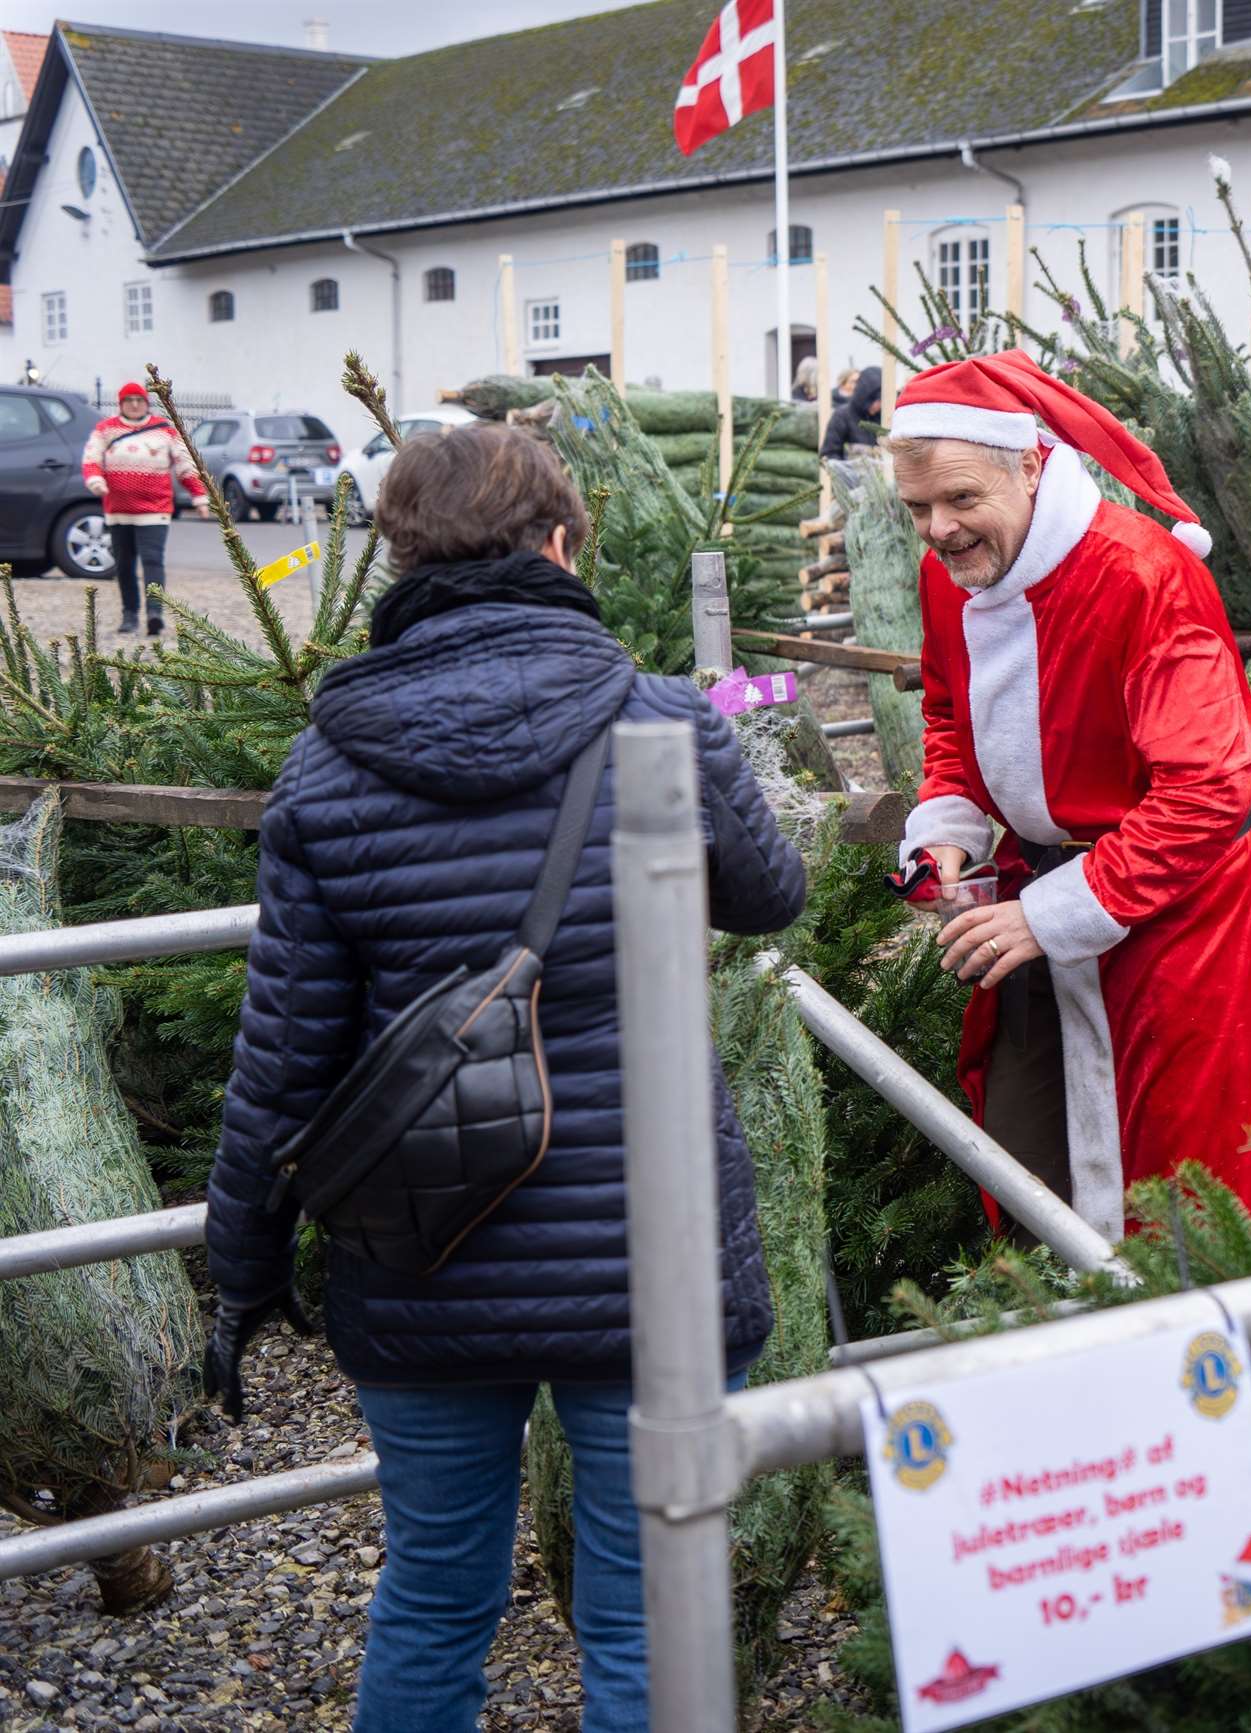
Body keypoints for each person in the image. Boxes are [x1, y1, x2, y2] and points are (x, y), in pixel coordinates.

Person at [200, 423, 808, 1733]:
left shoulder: (327, 765)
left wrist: (241, 1267)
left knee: (431, 1595)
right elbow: (771, 896)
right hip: (649, 1261)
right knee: (648, 1616)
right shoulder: (662, 717)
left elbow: (282, 1057)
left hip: (423, 1255)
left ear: (402, 559)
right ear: (559, 544)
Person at [890, 350, 1251, 1239]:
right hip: (1037, 887)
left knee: (1183, 1155)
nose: (939, 529)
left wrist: (1054, 913)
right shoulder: (948, 576)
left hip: (1177, 905)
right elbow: (950, 714)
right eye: (917, 507)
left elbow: (1207, 792)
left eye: (960, 498)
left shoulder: (1144, 577)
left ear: (1030, 467)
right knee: (1026, 1140)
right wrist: (946, 831)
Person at [80, 380, 209, 636]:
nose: (135, 404)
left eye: (139, 400)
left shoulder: (165, 431)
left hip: (155, 509)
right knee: (124, 564)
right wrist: (95, 481)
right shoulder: (106, 429)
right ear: (121, 404)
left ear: (146, 403)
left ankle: (154, 613)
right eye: (129, 400)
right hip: (118, 510)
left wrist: (200, 497)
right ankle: (129, 615)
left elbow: (185, 466)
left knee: (152, 560)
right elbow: (91, 459)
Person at [821, 364, 883, 458]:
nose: (878, 405)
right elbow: (829, 454)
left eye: (881, 401)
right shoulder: (842, 416)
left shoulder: (884, 417)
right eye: (875, 400)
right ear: (864, 395)